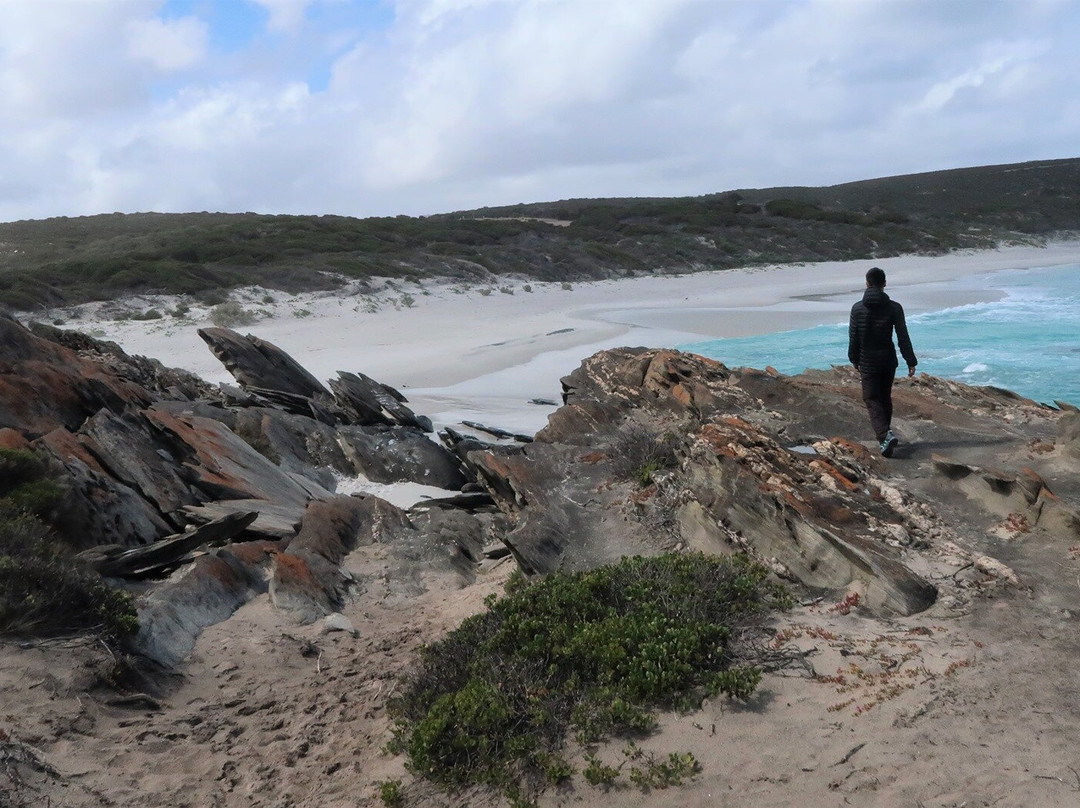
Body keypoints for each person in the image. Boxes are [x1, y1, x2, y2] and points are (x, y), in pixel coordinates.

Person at [848, 267, 917, 457]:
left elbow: (854, 336)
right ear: (884, 284)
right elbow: (903, 336)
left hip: (868, 360)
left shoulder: (857, 308)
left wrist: (853, 358)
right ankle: (886, 438)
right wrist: (910, 360)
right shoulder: (894, 307)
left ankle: (884, 435)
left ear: (867, 283)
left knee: (871, 398)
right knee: (884, 396)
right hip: (888, 360)